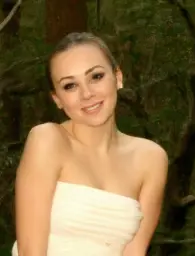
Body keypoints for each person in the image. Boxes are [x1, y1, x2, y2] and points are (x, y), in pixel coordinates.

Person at [11, 32, 168, 256]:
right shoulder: (48, 140)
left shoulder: (151, 158)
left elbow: (135, 252)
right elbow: (30, 251)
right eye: (69, 86)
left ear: (118, 77)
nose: (87, 94)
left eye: (95, 76)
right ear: (57, 99)